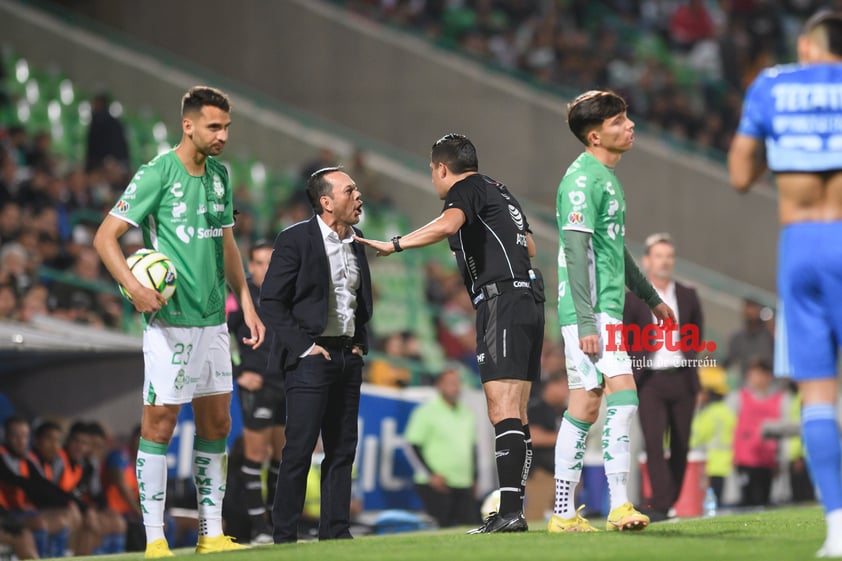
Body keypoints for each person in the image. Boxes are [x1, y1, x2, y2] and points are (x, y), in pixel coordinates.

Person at [93, 85, 265, 558]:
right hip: (170, 324)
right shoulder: (157, 173)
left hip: (213, 323)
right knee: (160, 426)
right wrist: (132, 286)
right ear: (187, 125)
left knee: (216, 424)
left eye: (226, 127)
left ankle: (211, 533)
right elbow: (106, 238)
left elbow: (227, 243)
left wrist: (245, 300)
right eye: (214, 126)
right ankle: (154, 539)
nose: (222, 135)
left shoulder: (219, 176)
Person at [355, 133, 545, 534]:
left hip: (501, 303)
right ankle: (512, 508)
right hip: (526, 299)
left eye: (432, 171)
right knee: (518, 411)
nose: (433, 179)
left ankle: (510, 512)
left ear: (442, 168)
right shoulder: (498, 189)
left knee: (502, 407)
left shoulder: (465, 189)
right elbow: (528, 245)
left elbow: (449, 223)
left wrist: (396, 244)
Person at [727, 10, 842, 557]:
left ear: (807, 45)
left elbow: (740, 176)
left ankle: (839, 529)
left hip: (799, 247)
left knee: (816, 394)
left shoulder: (772, 86)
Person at [551, 90, 674, 533]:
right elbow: (575, 250)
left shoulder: (605, 176)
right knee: (624, 395)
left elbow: (613, 250)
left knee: (584, 406)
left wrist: (651, 297)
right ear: (595, 134)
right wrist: (585, 321)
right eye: (620, 121)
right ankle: (620, 503)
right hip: (591, 312)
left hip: (604, 309)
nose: (630, 126)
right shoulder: (582, 181)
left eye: (627, 118)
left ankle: (563, 514)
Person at [260, 167, 372, 544]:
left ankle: (336, 533)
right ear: (326, 202)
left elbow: (359, 301)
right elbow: (272, 302)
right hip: (311, 358)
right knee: (300, 449)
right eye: (350, 191)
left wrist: (360, 343)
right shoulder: (295, 240)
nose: (359, 196)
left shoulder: (357, 242)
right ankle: (285, 537)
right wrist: (306, 348)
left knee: (342, 451)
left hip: (347, 357)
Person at [623, 232, 703, 521]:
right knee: (654, 442)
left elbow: (696, 335)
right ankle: (659, 504)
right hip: (650, 379)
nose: (665, 262)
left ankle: (664, 502)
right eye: (659, 256)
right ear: (646, 261)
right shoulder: (633, 300)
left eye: (669, 256)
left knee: (681, 442)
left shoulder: (688, 295)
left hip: (682, 377)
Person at [226, 239, 285, 545]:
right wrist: (239, 373)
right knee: (255, 456)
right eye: (260, 263)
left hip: (284, 383)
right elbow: (219, 336)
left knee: (281, 456)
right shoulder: (240, 295)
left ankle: (276, 524)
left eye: (271, 262)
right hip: (257, 384)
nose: (266, 268)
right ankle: (258, 527)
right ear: (249, 265)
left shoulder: (287, 290)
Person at [404, 367, 479, 528]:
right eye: (450, 383)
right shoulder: (426, 412)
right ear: (439, 386)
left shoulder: (467, 413)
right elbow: (412, 446)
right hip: (437, 484)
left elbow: (472, 449)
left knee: (471, 528)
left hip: (463, 483)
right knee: (441, 529)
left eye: (458, 383)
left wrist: (474, 477)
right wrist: (431, 475)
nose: (456, 387)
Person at [732, 358, 783, 507]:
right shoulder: (739, 397)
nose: (752, 379)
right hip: (745, 460)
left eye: (757, 374)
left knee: (765, 503)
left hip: (768, 460)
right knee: (747, 503)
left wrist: (780, 458)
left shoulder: (779, 399)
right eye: (751, 375)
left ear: (767, 376)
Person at [525, 370, 569, 521]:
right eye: (565, 386)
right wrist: (565, 438)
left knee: (565, 519)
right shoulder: (537, 406)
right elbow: (532, 436)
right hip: (541, 474)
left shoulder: (561, 410)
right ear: (552, 385)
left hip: (561, 473)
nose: (568, 391)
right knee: (536, 518)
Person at [690, 366, 736, 506]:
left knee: (708, 504)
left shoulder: (709, 414)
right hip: (723, 465)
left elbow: (695, 437)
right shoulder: (727, 411)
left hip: (708, 464)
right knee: (718, 503)